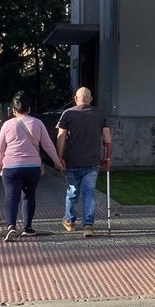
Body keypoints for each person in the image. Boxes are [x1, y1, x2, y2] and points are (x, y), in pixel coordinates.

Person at [0, 91, 64, 242]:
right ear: (29, 108)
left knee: (11, 197)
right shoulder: (37, 123)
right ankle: (28, 227)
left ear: (13, 110)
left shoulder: (7, 124)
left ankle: (11, 227)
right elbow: (48, 145)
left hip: (11, 167)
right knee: (29, 196)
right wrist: (57, 162)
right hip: (32, 167)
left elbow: (0, 147)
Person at [56, 87, 112, 238]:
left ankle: (69, 221)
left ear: (75, 98)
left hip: (72, 160)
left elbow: (61, 136)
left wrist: (59, 156)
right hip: (92, 161)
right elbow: (107, 137)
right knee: (89, 193)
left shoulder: (68, 113)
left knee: (72, 192)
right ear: (91, 99)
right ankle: (88, 225)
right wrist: (107, 157)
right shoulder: (100, 114)